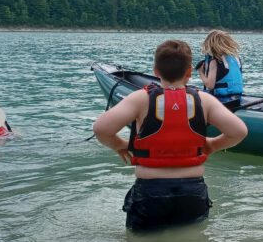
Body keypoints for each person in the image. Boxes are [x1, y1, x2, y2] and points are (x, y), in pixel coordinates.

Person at [93, 39, 248, 232]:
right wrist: (211, 145)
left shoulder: (141, 98)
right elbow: (239, 131)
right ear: (190, 72)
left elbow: (101, 129)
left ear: (156, 71)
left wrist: (121, 145)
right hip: (192, 194)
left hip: (150, 192)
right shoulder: (204, 100)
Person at [197, 30, 245, 105]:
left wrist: (201, 72)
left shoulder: (215, 61)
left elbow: (210, 86)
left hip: (221, 98)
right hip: (237, 96)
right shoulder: (236, 59)